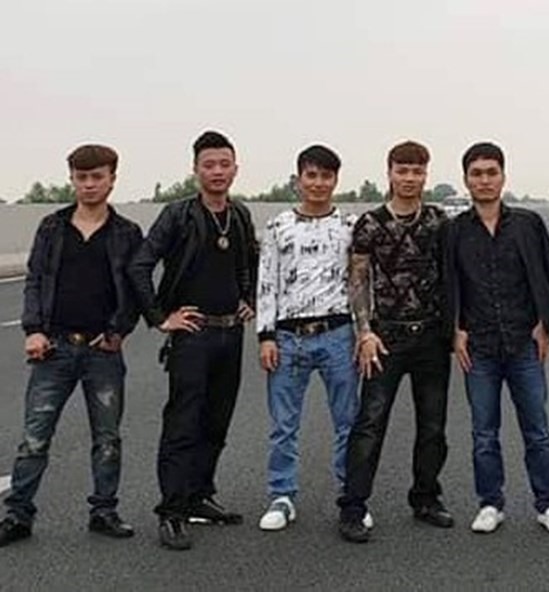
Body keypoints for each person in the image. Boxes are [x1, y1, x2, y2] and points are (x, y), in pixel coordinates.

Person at [0, 145, 142, 547]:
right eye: (81, 177)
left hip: (103, 351)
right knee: (34, 437)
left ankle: (104, 511)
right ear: (72, 180)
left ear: (112, 179)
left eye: (97, 176)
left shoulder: (127, 233)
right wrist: (33, 329)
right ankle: (18, 515)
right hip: (53, 348)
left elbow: (137, 288)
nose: (89, 184)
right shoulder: (52, 227)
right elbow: (34, 280)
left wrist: (120, 329)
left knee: (107, 438)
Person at [128, 130, 258, 551]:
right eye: (209, 165)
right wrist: (160, 318)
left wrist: (250, 299)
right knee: (183, 423)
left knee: (217, 422)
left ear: (235, 169)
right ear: (195, 170)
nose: (217, 171)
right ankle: (172, 510)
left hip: (230, 333)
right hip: (193, 336)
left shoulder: (239, 215)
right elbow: (140, 265)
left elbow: (250, 262)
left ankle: (199, 495)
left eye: (224, 164)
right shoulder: (178, 214)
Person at [447, 142, 549, 535]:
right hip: (479, 347)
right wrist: (455, 330)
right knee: (484, 434)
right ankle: (490, 503)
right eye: (476, 174)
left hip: (523, 344)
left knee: (538, 431)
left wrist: (545, 323)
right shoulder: (454, 231)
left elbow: (547, 274)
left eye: (491, 172)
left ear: (503, 177)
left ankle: (548, 504)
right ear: (466, 180)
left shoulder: (528, 224)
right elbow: (448, 283)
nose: (484, 180)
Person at [337, 141, 452, 543]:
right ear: (389, 173)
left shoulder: (438, 221)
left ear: (426, 175)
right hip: (385, 338)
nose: (409, 178)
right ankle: (353, 506)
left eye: (417, 171)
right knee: (370, 423)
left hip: (431, 337)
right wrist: (364, 331)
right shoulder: (370, 223)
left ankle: (426, 497)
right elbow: (357, 280)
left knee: (433, 425)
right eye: (402, 170)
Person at [255, 145, 360, 531]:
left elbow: (360, 283)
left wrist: (363, 332)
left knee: (348, 422)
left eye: (326, 176)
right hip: (289, 337)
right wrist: (266, 335)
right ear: (299, 179)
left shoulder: (350, 226)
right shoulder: (278, 226)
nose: (318, 183)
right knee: (284, 425)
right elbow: (266, 281)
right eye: (311, 175)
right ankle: (281, 496)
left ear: (336, 180)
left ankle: (352, 495)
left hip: (338, 334)